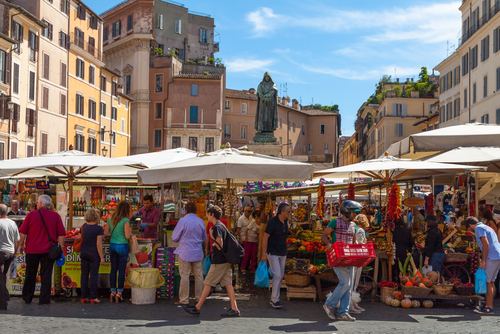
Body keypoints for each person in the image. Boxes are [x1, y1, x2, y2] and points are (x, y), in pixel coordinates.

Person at [183, 205, 240, 317]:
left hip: (218, 261)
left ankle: (197, 307)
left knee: (208, 283)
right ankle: (234, 308)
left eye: (208, 214)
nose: (207, 216)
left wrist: (212, 236)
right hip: (224, 260)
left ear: (212, 215)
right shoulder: (222, 226)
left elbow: (219, 245)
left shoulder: (216, 228)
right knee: (228, 284)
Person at [18, 195, 65, 305]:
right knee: (46, 275)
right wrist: (61, 248)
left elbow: (23, 232)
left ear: (40, 203)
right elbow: (61, 234)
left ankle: (27, 297)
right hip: (49, 250)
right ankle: (44, 299)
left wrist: (20, 245)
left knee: (30, 274)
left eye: (37, 203)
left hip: (32, 250)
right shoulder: (55, 216)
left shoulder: (31, 215)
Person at [321, 200, 362, 322]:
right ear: (346, 211)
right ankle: (329, 304)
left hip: (350, 258)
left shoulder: (353, 225)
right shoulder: (335, 222)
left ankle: (343, 312)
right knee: (345, 283)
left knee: (349, 287)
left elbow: (354, 242)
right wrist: (328, 243)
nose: (355, 215)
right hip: (338, 258)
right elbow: (324, 235)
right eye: (354, 212)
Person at [172, 202, 206, 306]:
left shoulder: (183, 221)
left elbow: (174, 237)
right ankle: (199, 298)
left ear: (185, 210)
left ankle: (184, 299)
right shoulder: (201, 221)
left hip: (185, 252)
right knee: (199, 276)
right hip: (197, 252)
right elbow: (204, 238)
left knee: (185, 276)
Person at [261, 203, 293, 309]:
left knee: (279, 276)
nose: (289, 213)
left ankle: (276, 297)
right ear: (282, 212)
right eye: (288, 211)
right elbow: (265, 237)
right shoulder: (272, 222)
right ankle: (274, 299)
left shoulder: (285, 222)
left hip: (282, 252)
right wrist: (264, 253)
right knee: (278, 275)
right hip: (273, 252)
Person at [466, 217, 500, 314]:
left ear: (470, 225)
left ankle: (488, 307)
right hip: (497, 255)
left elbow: (486, 244)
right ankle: (489, 306)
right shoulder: (486, 226)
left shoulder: (478, 228)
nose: (470, 230)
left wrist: (483, 260)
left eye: (469, 228)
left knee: (488, 281)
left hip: (492, 256)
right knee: (492, 281)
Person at [104, 201, 132, 303]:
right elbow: (127, 236)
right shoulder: (125, 221)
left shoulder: (110, 219)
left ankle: (112, 292)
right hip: (122, 246)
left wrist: (114, 234)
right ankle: (119, 293)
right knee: (121, 270)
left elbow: (106, 232)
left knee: (113, 270)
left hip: (112, 245)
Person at [79, 208, 104, 304]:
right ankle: (93, 297)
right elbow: (98, 244)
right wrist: (101, 257)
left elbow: (79, 238)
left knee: (84, 275)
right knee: (93, 276)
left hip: (84, 252)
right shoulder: (99, 228)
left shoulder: (83, 227)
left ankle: (83, 297)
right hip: (94, 254)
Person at [0, 204, 20, 310]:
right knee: (2, 276)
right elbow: (17, 240)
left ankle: (3, 303)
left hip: (1, 253)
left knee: (1, 278)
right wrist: (14, 252)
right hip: (10, 252)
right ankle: (5, 296)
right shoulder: (12, 223)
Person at [350, 213, 370, 314]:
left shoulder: (352, 228)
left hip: (350, 256)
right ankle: (351, 304)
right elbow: (361, 244)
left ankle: (353, 303)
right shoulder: (361, 231)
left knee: (351, 282)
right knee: (354, 283)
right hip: (358, 257)